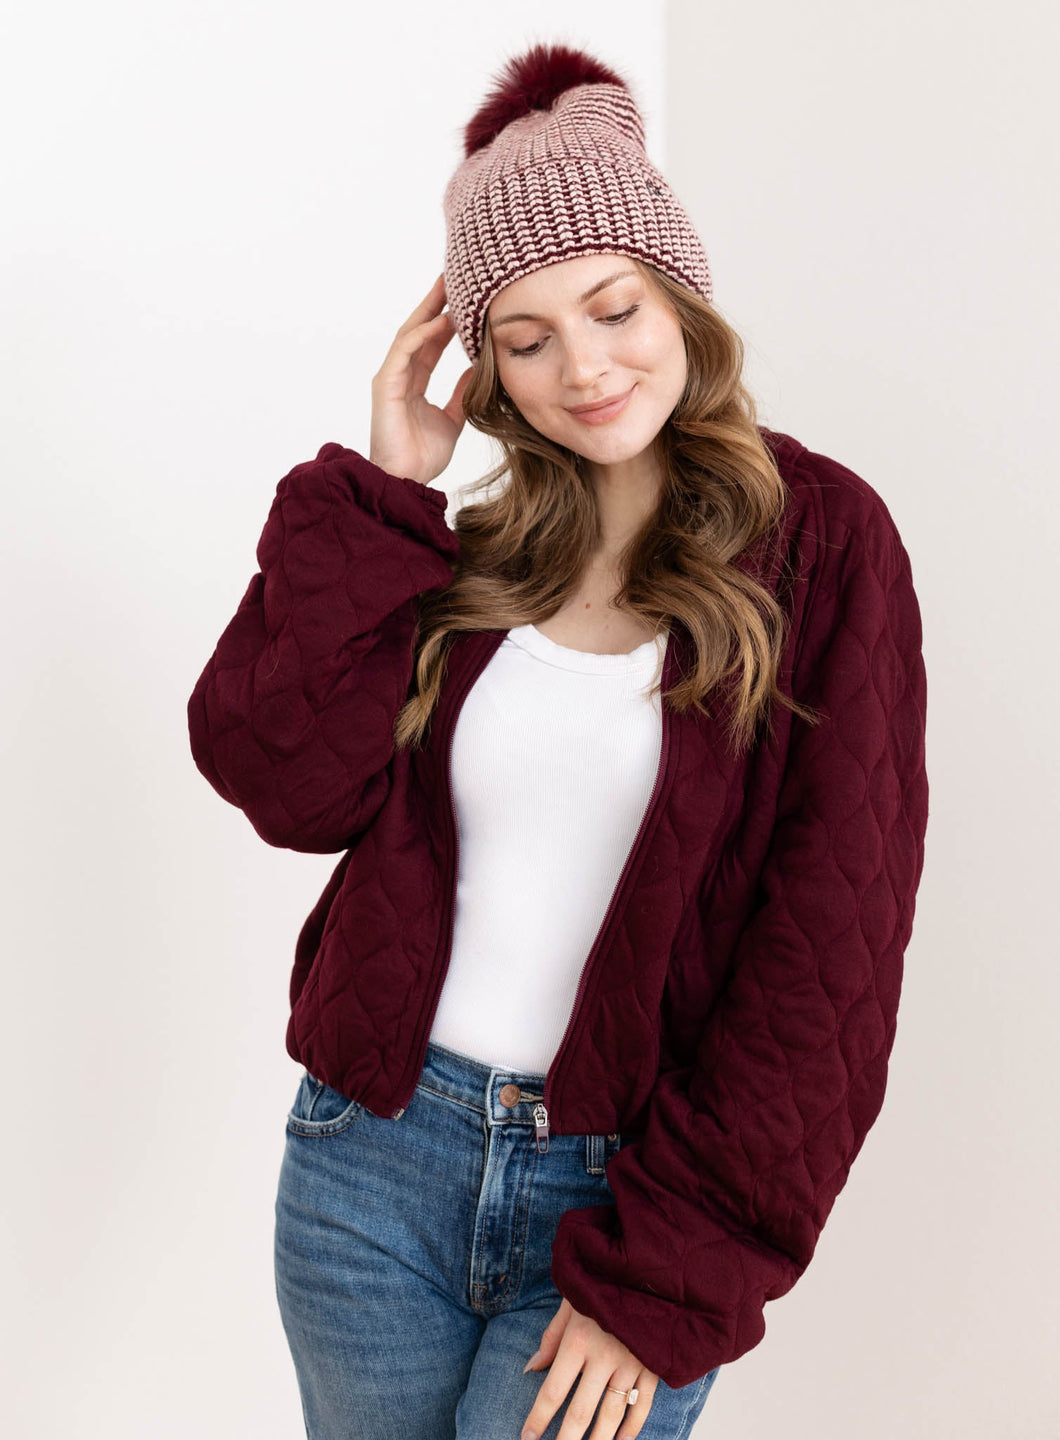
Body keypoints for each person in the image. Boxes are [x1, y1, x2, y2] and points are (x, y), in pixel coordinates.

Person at [186, 40, 929, 1440]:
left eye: (614, 307)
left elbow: (829, 951)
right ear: (485, 369)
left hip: (623, 1191)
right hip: (367, 1169)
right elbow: (279, 779)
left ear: (679, 294)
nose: (584, 367)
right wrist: (385, 493)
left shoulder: (825, 546)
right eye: (525, 339)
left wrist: (667, 1275)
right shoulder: (465, 555)